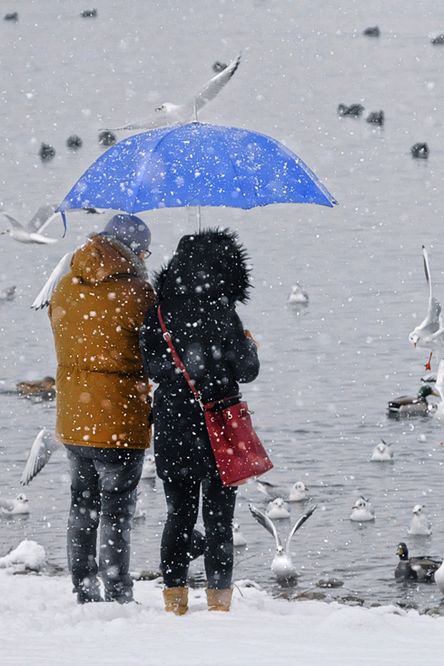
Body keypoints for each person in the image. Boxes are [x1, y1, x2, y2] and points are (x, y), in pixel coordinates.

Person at [139, 228, 259, 614]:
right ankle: (219, 603)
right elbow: (247, 369)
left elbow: (151, 366)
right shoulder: (223, 312)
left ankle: (175, 601)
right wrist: (248, 344)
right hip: (219, 424)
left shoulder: (157, 312)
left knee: (178, 514)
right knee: (220, 519)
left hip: (174, 424)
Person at [48, 213, 154, 604]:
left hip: (75, 418)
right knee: (116, 512)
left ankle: (83, 587)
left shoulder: (65, 285)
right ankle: (118, 592)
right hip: (120, 421)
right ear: (132, 251)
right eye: (145, 250)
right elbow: (153, 351)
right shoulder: (137, 293)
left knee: (81, 506)